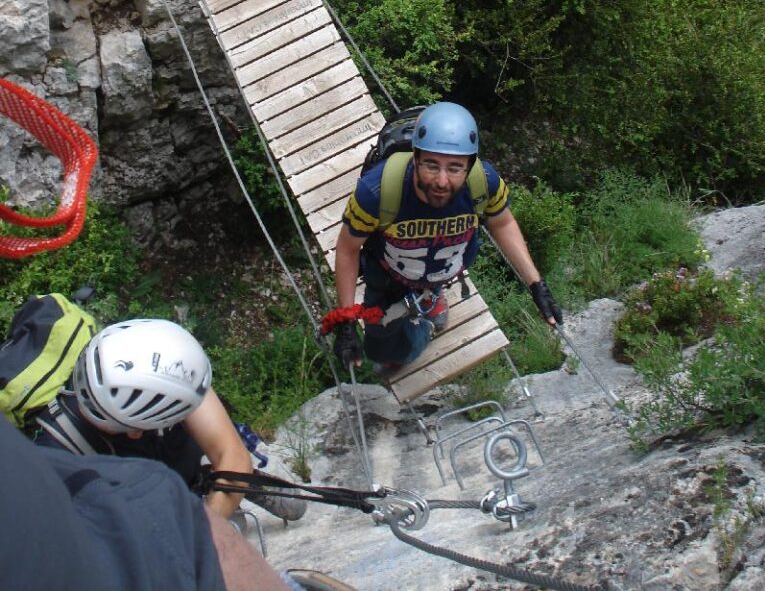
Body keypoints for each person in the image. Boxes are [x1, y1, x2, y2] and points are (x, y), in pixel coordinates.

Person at [332, 102, 563, 375]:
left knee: (420, 298)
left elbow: (502, 223)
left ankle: (431, 299)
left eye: (454, 168)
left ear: (470, 166)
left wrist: (537, 285)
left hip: (441, 267)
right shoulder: (377, 192)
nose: (441, 181)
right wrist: (346, 321)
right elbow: (348, 250)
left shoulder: (484, 182)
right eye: (431, 165)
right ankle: (422, 323)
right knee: (380, 350)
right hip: (389, 275)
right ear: (415, 158)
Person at [31, 317, 299, 522]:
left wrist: (210, 525)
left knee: (290, 507)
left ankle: (211, 481)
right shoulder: (55, 458)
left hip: (172, 462)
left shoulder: (160, 361)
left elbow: (231, 453)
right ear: (136, 432)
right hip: (127, 505)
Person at [1, 413, 299, 591]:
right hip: (159, 496)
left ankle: (223, 487)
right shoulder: (61, 445)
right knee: (222, 530)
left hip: (172, 484)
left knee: (287, 509)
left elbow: (231, 453)